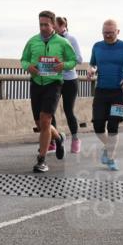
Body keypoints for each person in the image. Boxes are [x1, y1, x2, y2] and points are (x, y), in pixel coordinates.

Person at [21, 10, 76, 172]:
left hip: (54, 83)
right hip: (36, 83)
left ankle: (41, 160)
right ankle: (58, 138)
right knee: (39, 123)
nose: (43, 27)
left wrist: (63, 66)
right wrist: (28, 67)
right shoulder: (32, 41)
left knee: (45, 120)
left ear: (53, 24)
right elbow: (23, 59)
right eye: (41, 24)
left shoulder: (62, 42)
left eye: (46, 24)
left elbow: (73, 60)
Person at [86, 19, 123, 170]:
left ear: (118, 32)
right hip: (101, 90)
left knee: (113, 125)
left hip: (120, 91)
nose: (108, 36)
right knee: (98, 126)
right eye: (105, 33)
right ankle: (110, 147)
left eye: (111, 33)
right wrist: (91, 70)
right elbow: (93, 64)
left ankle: (110, 158)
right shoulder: (97, 47)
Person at [54, 16, 84, 152]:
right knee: (49, 111)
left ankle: (75, 138)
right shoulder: (51, 40)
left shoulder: (71, 39)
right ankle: (53, 141)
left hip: (70, 80)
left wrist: (63, 62)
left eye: (55, 26)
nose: (53, 28)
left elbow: (79, 59)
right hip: (53, 79)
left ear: (62, 26)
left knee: (68, 111)